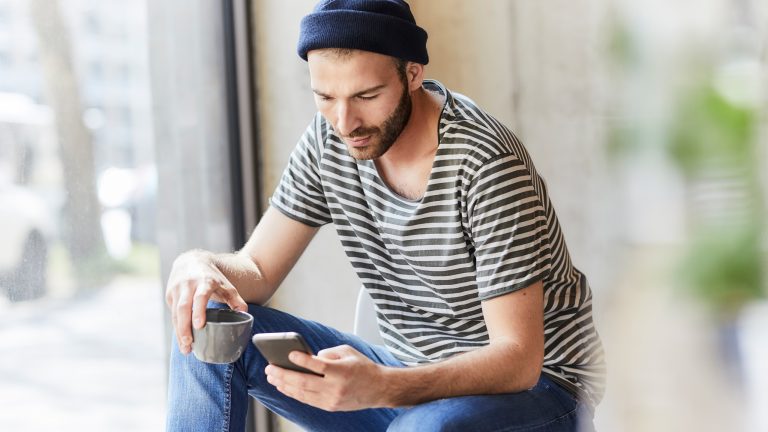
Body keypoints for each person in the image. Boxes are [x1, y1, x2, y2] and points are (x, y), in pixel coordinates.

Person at [165, 0, 606, 431]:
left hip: (540, 391)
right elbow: (257, 270)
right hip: (405, 376)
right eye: (325, 97)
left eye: (367, 95)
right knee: (208, 325)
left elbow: (518, 360)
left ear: (413, 73)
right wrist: (198, 265)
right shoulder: (330, 140)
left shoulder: (484, 163)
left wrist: (383, 387)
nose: (345, 122)